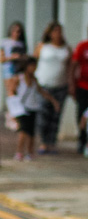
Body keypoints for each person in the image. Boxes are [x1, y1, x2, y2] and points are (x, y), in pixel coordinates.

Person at [33, 21, 71, 154]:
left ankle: (51, 143)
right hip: (44, 85)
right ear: (49, 33)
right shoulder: (42, 46)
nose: (58, 34)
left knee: (56, 116)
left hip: (60, 85)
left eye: (60, 31)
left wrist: (71, 85)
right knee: (43, 114)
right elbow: (33, 63)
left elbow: (69, 68)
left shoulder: (66, 48)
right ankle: (43, 142)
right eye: (55, 31)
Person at [7, 56, 55, 162]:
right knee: (23, 131)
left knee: (31, 132)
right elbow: (11, 93)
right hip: (22, 109)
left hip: (33, 107)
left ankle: (30, 152)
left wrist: (53, 101)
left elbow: (41, 91)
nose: (34, 68)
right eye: (32, 65)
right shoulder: (18, 78)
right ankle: (19, 152)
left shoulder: (34, 79)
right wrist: (13, 109)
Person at [67, 25, 88, 156]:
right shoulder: (82, 46)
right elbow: (73, 65)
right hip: (83, 86)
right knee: (82, 114)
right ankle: (82, 139)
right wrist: (71, 84)